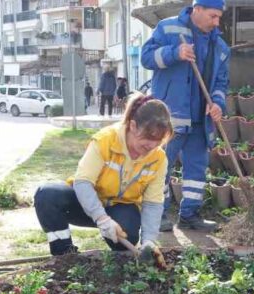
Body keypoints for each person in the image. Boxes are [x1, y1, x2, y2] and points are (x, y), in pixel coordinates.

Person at [34, 93, 172, 257]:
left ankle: (119, 258)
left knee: (127, 235)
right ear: (133, 126)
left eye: (158, 141)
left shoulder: (158, 158)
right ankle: (64, 255)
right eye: (148, 138)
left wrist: (149, 240)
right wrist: (101, 218)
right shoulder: (105, 140)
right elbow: (83, 182)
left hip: (120, 209)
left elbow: (153, 203)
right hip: (85, 204)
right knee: (47, 195)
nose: (152, 145)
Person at [141, 0, 229, 232]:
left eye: (218, 17)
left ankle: (190, 215)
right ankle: (158, 214)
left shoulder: (220, 47)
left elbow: (222, 82)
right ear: (197, 9)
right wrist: (174, 53)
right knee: (161, 165)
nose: (216, 22)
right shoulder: (168, 29)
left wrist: (218, 104)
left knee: (196, 169)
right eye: (213, 16)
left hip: (201, 120)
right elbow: (146, 58)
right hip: (169, 116)